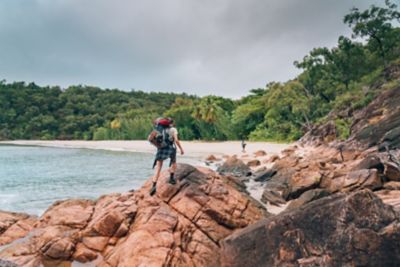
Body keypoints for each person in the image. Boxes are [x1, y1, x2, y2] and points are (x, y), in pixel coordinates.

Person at [150, 119, 184, 196]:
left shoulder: (158, 130)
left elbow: (152, 139)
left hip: (161, 149)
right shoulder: (173, 129)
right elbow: (176, 140)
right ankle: (171, 179)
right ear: (171, 123)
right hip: (171, 148)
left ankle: (154, 186)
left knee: (158, 167)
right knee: (173, 162)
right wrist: (181, 149)